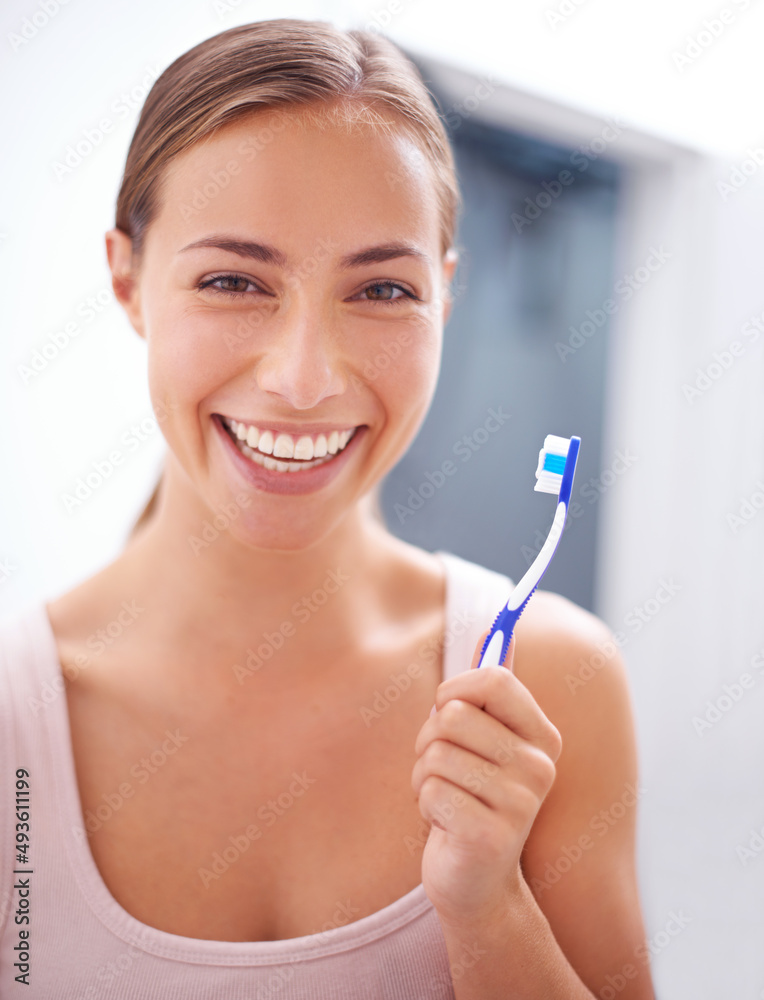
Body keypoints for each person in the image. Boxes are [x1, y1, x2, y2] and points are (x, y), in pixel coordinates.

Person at [0, 17, 655, 999]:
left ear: (442, 296)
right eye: (232, 280)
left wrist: (488, 908)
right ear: (126, 279)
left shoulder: (546, 684)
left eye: (380, 289)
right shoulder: (16, 720)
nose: (303, 379)